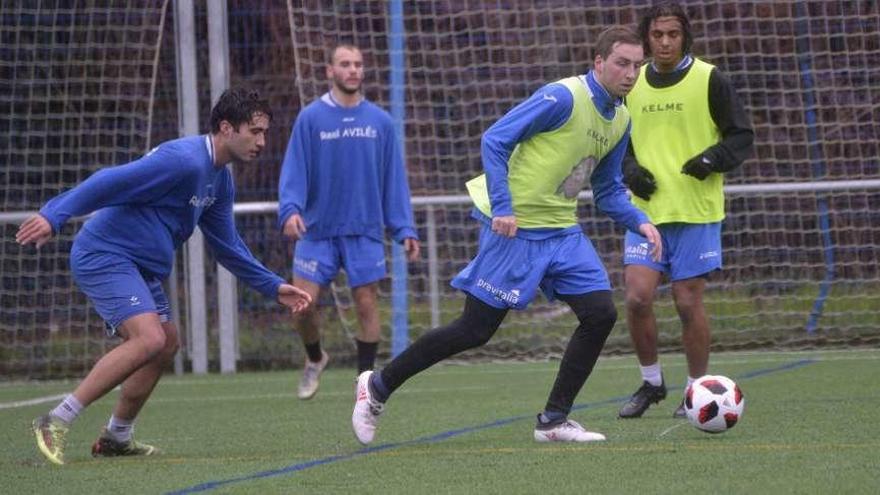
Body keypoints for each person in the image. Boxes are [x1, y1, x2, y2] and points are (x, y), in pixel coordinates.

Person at [351, 26, 662, 445]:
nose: (631, 73)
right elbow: (495, 139)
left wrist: (639, 220)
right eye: (622, 63)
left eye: (637, 65)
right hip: (514, 230)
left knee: (600, 313)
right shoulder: (563, 97)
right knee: (474, 330)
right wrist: (503, 207)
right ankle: (377, 387)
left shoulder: (621, 119)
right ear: (599, 63)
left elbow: (606, 191)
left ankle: (553, 420)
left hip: (562, 232)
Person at [17, 88, 313, 465]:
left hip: (138, 266)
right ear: (226, 127)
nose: (262, 141)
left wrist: (273, 286)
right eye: (254, 131)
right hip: (105, 254)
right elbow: (110, 181)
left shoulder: (220, 180)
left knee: (166, 343)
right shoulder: (184, 161)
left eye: (265, 133)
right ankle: (55, 420)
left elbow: (227, 246)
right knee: (149, 337)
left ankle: (116, 437)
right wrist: (54, 215)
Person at [617, 2, 754, 419]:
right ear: (647, 38)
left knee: (686, 302)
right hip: (645, 213)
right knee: (637, 298)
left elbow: (741, 136)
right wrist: (630, 169)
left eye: (672, 34)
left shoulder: (710, 79)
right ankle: (652, 382)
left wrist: (712, 159)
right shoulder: (632, 82)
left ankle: (696, 391)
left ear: (685, 37)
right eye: (657, 35)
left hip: (696, 211)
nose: (664, 42)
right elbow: (616, 140)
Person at [278, 43, 420, 400]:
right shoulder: (310, 118)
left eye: (358, 64)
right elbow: (295, 169)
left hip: (364, 230)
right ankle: (315, 358)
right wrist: (290, 209)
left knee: (367, 304)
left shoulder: (380, 122)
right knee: (302, 306)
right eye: (345, 64)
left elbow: (393, 180)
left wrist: (404, 228)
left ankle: (365, 385)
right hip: (317, 231)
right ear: (330, 71)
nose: (353, 70)